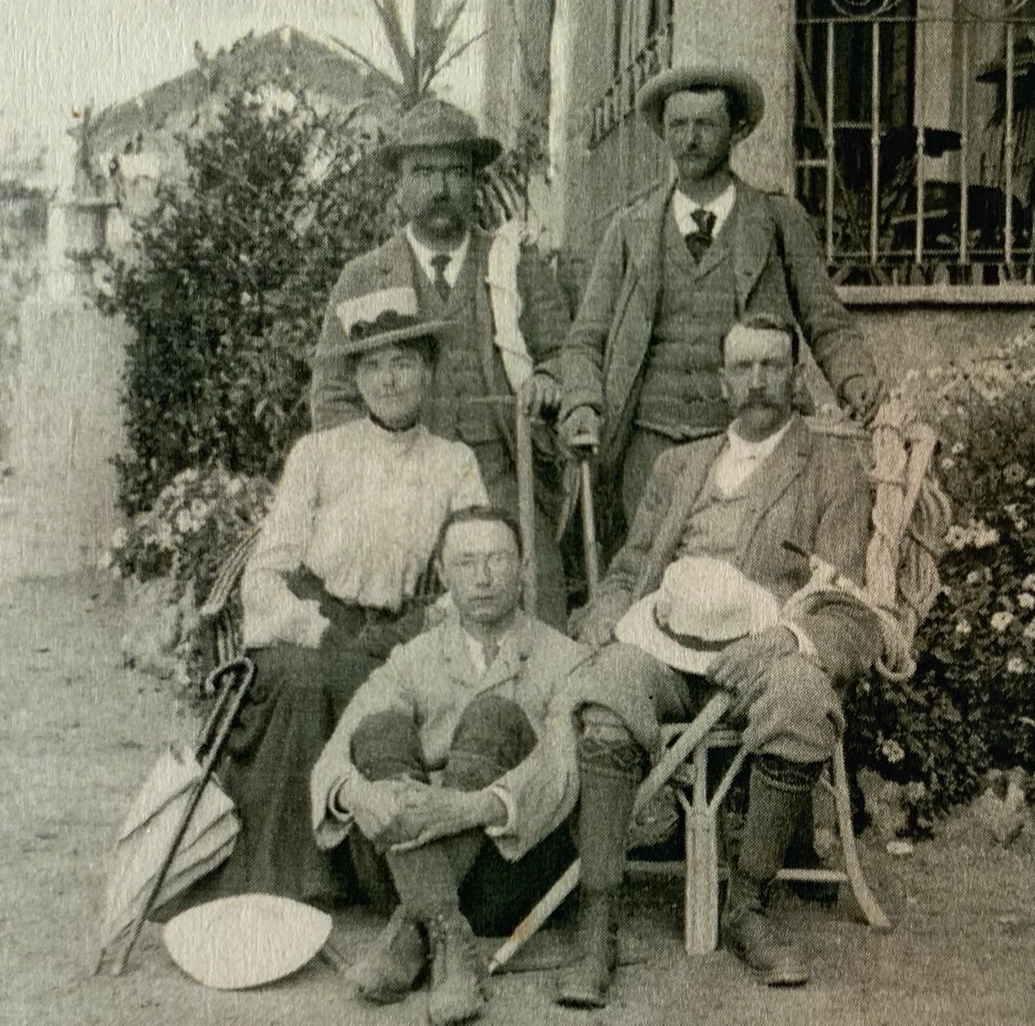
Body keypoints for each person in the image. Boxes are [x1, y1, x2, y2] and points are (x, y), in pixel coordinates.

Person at [419, 315, 887, 1008]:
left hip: (766, 646)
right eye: (743, 368)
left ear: (796, 377)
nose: (757, 382)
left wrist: (783, 642)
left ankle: (749, 906)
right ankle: (599, 919)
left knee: (800, 700)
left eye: (772, 367)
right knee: (607, 690)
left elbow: (851, 606)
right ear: (722, 381)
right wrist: (605, 615)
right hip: (664, 639)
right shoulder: (679, 466)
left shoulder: (831, 469)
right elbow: (632, 566)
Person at [206, 300, 488, 909]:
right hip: (316, 626)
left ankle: (387, 885)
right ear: (356, 378)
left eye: (403, 364)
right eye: (374, 366)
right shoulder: (319, 454)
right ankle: (292, 884)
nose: (389, 380)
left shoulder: (454, 463)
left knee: (400, 695)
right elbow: (263, 577)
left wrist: (414, 629)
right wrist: (318, 631)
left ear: (428, 371)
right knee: (307, 680)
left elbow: (472, 572)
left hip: (405, 631)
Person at [538, 62, 886, 527]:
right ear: (663, 134)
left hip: (748, 439)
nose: (690, 138)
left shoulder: (778, 221)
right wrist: (583, 402)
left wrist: (855, 380)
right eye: (678, 125)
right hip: (648, 446)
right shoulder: (629, 230)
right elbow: (586, 340)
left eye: (705, 125)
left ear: (736, 132)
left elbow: (826, 321)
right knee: (649, 577)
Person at [311, 506, 588, 1025]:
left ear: (523, 567)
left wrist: (464, 809)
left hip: (508, 873)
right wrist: (357, 795)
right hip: (409, 865)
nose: (482, 578)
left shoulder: (563, 658)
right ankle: (447, 936)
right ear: (443, 573)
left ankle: (412, 932)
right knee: (378, 729)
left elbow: (562, 770)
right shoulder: (414, 657)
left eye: (497, 560)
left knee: (496, 718)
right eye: (465, 563)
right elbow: (335, 755)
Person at [311, 96, 572, 627]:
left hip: (501, 471)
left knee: (538, 602)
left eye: (456, 171)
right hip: (401, 477)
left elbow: (564, 354)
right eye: (423, 172)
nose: (440, 188)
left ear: (475, 182)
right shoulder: (366, 276)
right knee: (393, 620)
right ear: (400, 185)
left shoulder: (514, 264)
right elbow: (332, 395)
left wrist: (546, 377)